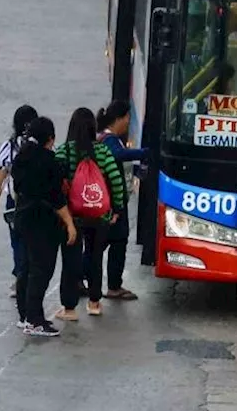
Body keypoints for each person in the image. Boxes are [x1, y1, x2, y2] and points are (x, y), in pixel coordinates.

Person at [54, 107, 125, 318]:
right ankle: (94, 303)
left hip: (72, 217)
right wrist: (117, 208)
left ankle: (69, 308)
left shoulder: (64, 151)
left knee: (71, 261)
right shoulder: (103, 152)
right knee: (95, 258)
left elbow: (54, 182)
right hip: (98, 216)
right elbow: (116, 181)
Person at [11, 116, 77, 337]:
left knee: (26, 269)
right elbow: (56, 199)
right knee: (41, 271)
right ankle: (35, 320)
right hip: (43, 224)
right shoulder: (50, 163)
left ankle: (25, 316)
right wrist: (70, 224)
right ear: (51, 138)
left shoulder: (22, 158)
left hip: (23, 220)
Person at [94, 100, 147, 301]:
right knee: (114, 240)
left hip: (110, 199)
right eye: (127, 118)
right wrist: (143, 153)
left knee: (107, 241)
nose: (128, 123)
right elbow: (117, 156)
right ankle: (112, 286)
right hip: (112, 200)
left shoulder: (109, 138)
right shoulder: (109, 140)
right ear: (119, 118)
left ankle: (86, 278)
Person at [0, 104, 37, 297]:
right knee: (33, 242)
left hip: (15, 202)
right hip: (38, 201)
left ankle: (20, 277)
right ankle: (31, 278)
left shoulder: (9, 147)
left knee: (17, 241)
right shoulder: (42, 146)